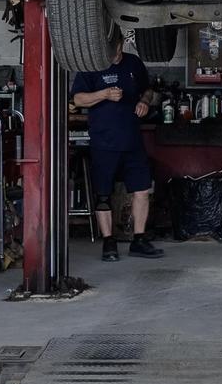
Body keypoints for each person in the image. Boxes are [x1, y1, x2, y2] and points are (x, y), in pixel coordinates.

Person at [69, 29, 164, 262]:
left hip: (132, 140)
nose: (114, 53)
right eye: (109, 49)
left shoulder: (133, 63)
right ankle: (108, 242)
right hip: (104, 141)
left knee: (142, 190)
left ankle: (139, 240)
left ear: (122, 43)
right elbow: (77, 99)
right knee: (103, 195)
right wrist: (103, 94)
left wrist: (143, 101)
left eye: (117, 47)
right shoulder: (91, 66)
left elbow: (148, 90)